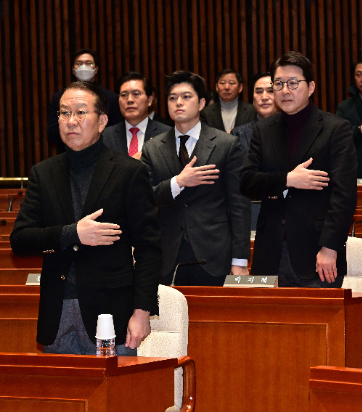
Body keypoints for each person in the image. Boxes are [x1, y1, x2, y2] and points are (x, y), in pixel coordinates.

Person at [11, 81, 161, 355]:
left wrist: (142, 311)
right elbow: (20, 240)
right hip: (58, 310)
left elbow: (149, 247)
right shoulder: (43, 173)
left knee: (115, 396)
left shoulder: (129, 171)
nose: (71, 121)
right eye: (64, 113)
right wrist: (73, 234)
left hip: (112, 311)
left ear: (102, 121)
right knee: (65, 395)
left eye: (81, 112)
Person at [240, 51, 357, 288]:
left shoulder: (336, 129)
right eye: (279, 84)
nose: (285, 90)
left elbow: (344, 196)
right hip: (269, 251)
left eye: (293, 83)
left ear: (311, 86)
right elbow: (247, 181)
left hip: (317, 252)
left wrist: (330, 247)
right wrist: (287, 179)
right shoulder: (264, 130)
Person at [141, 71, 251, 286]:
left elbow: (239, 206)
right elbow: (144, 199)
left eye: (186, 96)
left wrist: (240, 260)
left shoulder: (226, 144)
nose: (178, 102)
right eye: (172, 98)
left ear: (201, 103)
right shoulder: (152, 148)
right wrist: (178, 183)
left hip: (214, 254)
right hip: (168, 255)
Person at [47, 49, 122, 149]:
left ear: (96, 69)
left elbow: (116, 132)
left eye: (89, 63)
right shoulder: (60, 97)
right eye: (79, 63)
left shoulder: (111, 98)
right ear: (73, 70)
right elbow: (52, 134)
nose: (84, 67)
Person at [103, 72, 171, 158]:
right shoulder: (106, 136)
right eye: (124, 95)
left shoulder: (166, 134)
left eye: (136, 94)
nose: (130, 100)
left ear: (149, 100)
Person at [231, 71, 279, 155]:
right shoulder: (238, 134)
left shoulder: (294, 129)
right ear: (253, 100)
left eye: (270, 91)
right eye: (259, 92)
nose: (264, 97)